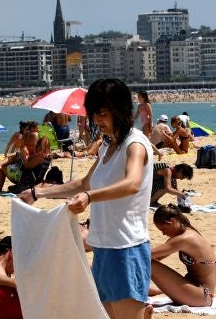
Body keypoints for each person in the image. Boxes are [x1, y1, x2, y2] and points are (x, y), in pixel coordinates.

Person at [20, 78, 153, 319]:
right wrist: (37, 193)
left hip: (127, 249)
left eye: (102, 114)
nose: (97, 121)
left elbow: (132, 183)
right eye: (94, 114)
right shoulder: (107, 147)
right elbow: (83, 184)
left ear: (119, 110)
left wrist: (90, 197)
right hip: (103, 248)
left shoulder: (136, 144)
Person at [149, 205, 216, 307]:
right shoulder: (185, 234)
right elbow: (156, 257)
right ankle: (146, 289)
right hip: (195, 292)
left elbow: (146, 255)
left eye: (163, 229)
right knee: (146, 263)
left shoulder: (185, 239)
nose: (163, 233)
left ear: (172, 221)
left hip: (203, 296)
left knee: (148, 263)